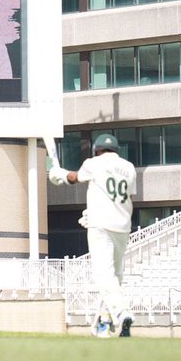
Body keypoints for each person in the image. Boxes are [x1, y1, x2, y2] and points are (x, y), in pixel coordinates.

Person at [48, 133, 137, 338]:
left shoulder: (93, 163)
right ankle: (105, 320)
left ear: (97, 149)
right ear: (116, 150)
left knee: (103, 275)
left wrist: (58, 174)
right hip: (122, 224)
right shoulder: (129, 167)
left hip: (101, 226)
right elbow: (128, 197)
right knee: (115, 276)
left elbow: (74, 178)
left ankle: (121, 312)